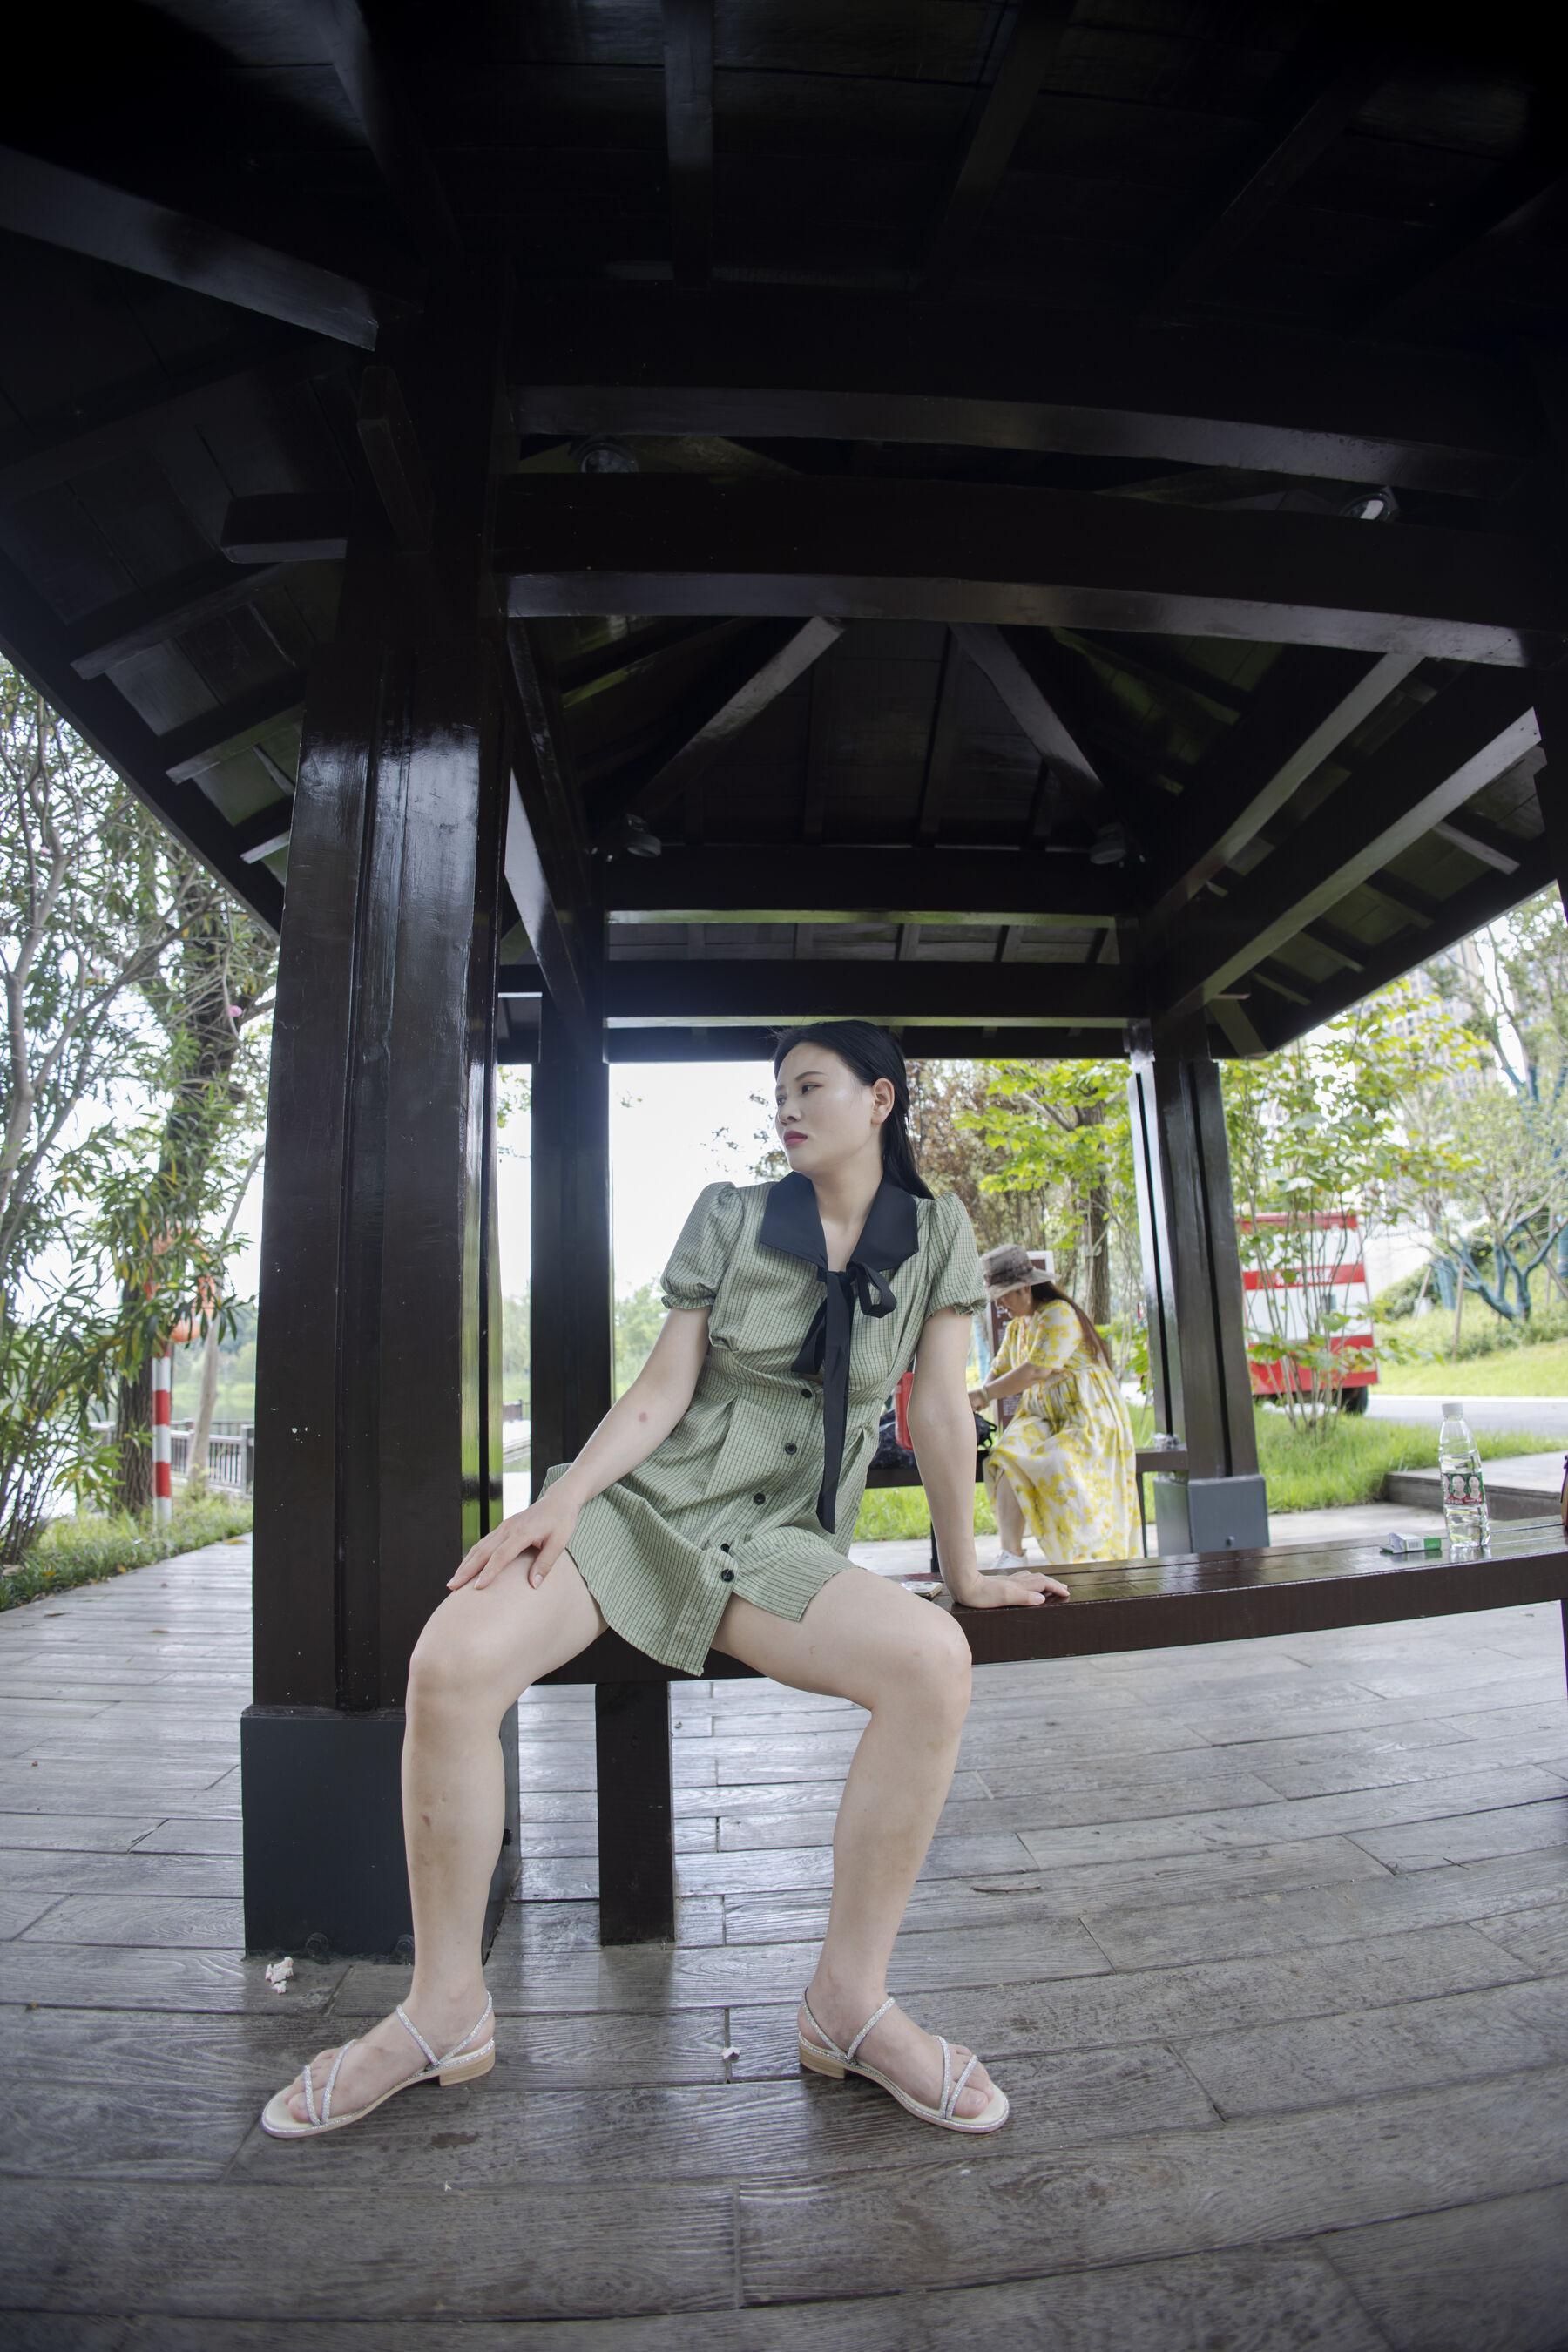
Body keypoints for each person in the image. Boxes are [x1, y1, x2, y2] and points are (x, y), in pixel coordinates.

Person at [263, 1021, 1070, 2143]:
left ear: (882, 1100)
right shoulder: (731, 1215)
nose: (786, 1108)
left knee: (935, 1662)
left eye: (811, 1086)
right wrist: (562, 1503)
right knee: (448, 1662)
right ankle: (443, 2011)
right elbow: (659, 1391)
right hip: (644, 1512)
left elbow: (936, 1409)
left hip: (779, 1542)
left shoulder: (937, 1234)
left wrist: (965, 1573)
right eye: (777, 1092)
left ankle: (847, 2005)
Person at [968, 1243, 1139, 1571]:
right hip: (1042, 1415)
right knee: (1006, 1456)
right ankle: (1012, 1555)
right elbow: (999, 1370)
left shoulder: (1058, 1313)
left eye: (1004, 1295)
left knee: (1061, 1463)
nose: (1000, 1303)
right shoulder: (1019, 1327)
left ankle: (1086, 1559)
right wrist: (973, 1398)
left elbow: (1036, 1370)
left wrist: (984, 1395)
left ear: (1026, 1288)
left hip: (1085, 1415)